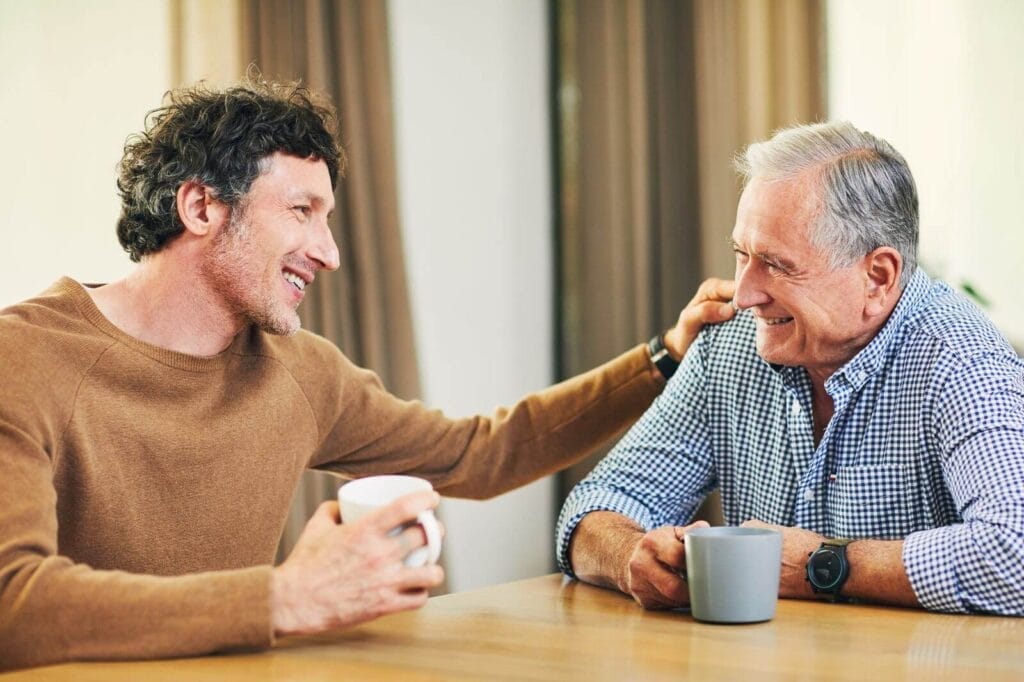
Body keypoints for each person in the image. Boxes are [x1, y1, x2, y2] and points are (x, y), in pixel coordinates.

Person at [0, 79, 734, 671]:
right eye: (301, 211)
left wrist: (663, 356)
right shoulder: (24, 359)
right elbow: (13, 604)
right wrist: (284, 599)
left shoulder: (300, 373)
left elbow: (480, 454)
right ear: (200, 206)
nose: (329, 252)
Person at [557, 121, 1024, 616]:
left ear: (877, 277)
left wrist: (822, 566)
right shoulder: (731, 344)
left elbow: (1014, 551)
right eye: (742, 255)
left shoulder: (961, 358)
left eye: (777, 265)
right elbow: (593, 507)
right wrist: (632, 554)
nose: (744, 294)